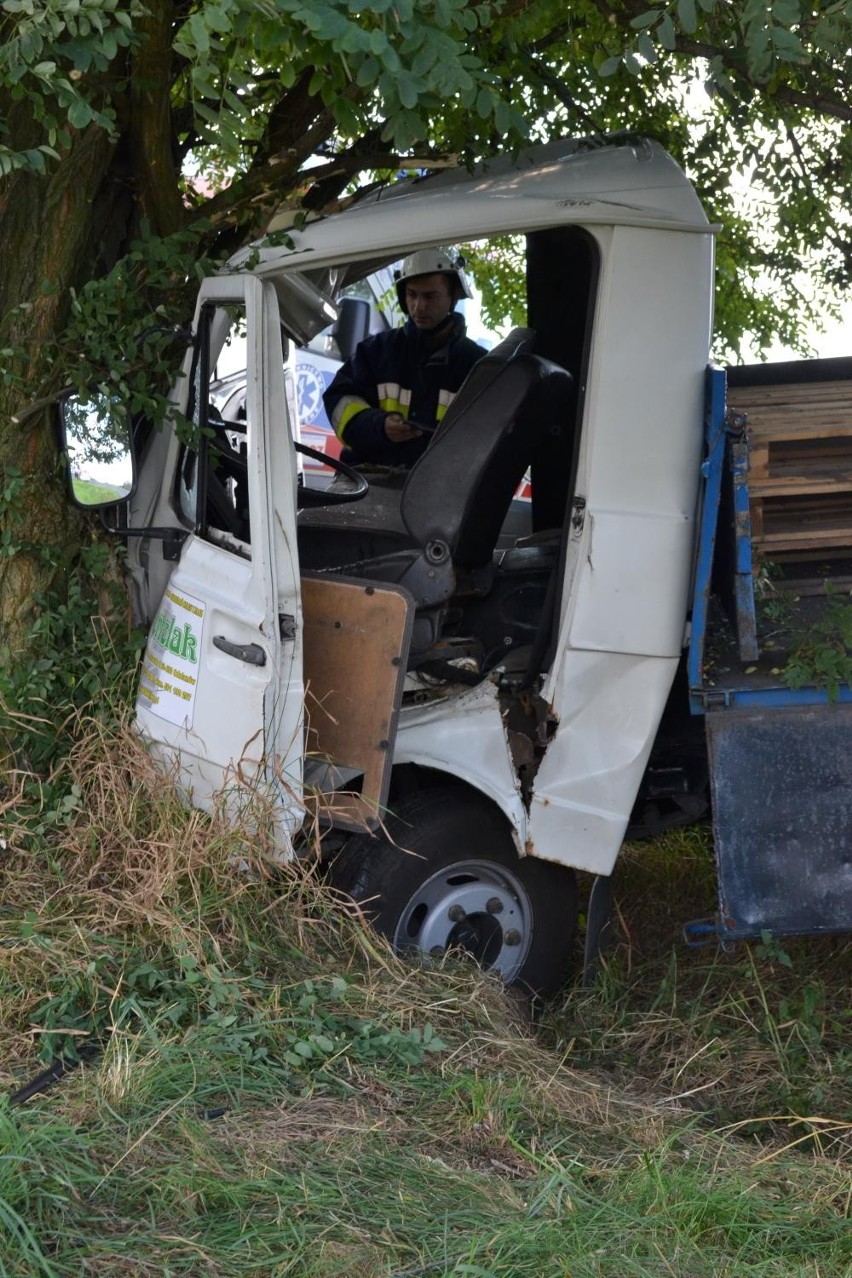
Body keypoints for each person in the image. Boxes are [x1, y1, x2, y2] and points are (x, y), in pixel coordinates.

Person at [323, 247, 486, 469]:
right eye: (412, 295)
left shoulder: (478, 367)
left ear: (454, 296)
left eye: (430, 296)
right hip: (367, 483)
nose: (419, 306)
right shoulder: (376, 351)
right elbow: (339, 404)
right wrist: (379, 426)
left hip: (437, 490)